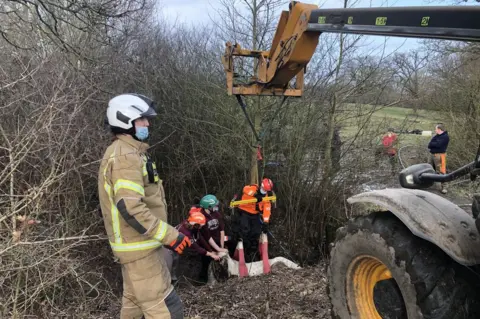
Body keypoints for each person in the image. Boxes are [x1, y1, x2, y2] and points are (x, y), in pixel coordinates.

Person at [98, 93, 190, 319]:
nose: (147, 124)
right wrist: (170, 236)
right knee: (167, 309)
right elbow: (130, 209)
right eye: (142, 120)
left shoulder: (129, 153)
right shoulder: (125, 157)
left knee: (133, 308)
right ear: (125, 121)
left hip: (136, 248)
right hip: (140, 250)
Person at [176, 208, 221, 283]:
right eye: (200, 226)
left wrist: (210, 251)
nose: (201, 228)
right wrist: (210, 254)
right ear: (195, 225)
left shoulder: (192, 226)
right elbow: (196, 247)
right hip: (172, 250)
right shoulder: (185, 232)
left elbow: (200, 238)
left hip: (182, 247)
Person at [236, 178, 274, 261]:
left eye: (266, 191)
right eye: (263, 190)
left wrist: (266, 222)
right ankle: (244, 249)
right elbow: (245, 189)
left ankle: (252, 251)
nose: (264, 192)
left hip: (254, 214)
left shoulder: (266, 198)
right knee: (244, 230)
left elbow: (267, 210)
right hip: (244, 212)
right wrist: (255, 195)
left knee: (256, 231)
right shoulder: (252, 188)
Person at [428, 123, 450, 194]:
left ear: (439, 129)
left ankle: (445, 187)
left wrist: (433, 144)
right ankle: (429, 183)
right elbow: (429, 144)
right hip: (432, 154)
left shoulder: (445, 137)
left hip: (440, 155)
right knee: (429, 169)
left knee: (441, 171)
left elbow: (438, 145)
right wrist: (434, 144)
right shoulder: (436, 136)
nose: (435, 130)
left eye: (436, 129)